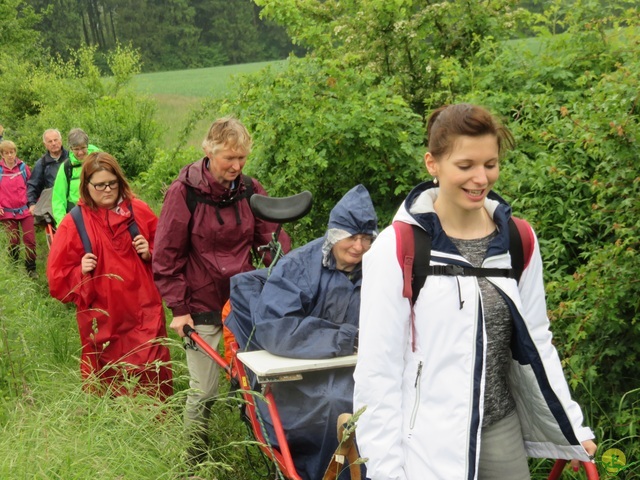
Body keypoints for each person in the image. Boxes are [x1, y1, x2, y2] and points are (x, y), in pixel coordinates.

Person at [353, 103, 597, 480]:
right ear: (432, 164)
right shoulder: (398, 248)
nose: (480, 178)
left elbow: (538, 339)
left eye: (490, 164)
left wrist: (574, 424)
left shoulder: (518, 239)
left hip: (499, 427)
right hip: (425, 440)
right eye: (465, 166)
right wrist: (385, 469)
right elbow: (378, 371)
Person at [152, 116, 291, 467]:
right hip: (199, 304)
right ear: (209, 150)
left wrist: (282, 276)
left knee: (261, 384)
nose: (236, 166)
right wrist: (179, 309)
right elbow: (167, 255)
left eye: (242, 158)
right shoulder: (183, 193)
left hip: (243, 303)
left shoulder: (249, 189)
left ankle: (265, 455)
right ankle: (193, 459)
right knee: (205, 391)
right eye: (229, 157)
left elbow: (270, 238)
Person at [249, 184, 377, 480]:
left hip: (358, 371)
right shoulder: (299, 267)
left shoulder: (379, 268)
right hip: (300, 380)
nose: (358, 247)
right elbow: (276, 327)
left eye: (366, 238)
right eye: (350, 237)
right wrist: (345, 339)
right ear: (334, 234)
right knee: (335, 404)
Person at [47, 152, 172, 399]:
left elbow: (169, 256)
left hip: (143, 314)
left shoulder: (139, 211)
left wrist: (151, 253)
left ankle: (156, 432)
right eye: (100, 185)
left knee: (150, 377)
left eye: (112, 183)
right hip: (101, 321)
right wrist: (79, 270)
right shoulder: (74, 223)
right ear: (86, 186)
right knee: (107, 383)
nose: (107, 190)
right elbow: (56, 281)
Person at [0, 140, 37, 278]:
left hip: (25, 210)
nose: (10, 155)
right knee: (13, 240)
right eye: (6, 153)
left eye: (12, 152)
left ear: (15, 152)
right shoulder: (0, 170)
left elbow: (32, 186)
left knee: (30, 239)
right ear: (2, 155)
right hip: (7, 212)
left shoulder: (23, 168)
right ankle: (13, 266)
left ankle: (31, 268)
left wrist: (34, 204)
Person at [51, 128, 100, 226]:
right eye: (76, 149)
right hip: (77, 216)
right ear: (70, 149)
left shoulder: (99, 160)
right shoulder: (66, 167)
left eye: (83, 148)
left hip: (100, 212)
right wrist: (63, 224)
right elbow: (58, 199)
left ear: (88, 145)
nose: (80, 152)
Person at [27, 129, 70, 216]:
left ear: (61, 140)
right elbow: (33, 184)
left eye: (56, 140)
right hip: (54, 203)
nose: (54, 143)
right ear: (45, 145)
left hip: (72, 200)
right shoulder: (42, 163)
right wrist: (32, 203)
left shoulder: (71, 158)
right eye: (50, 141)